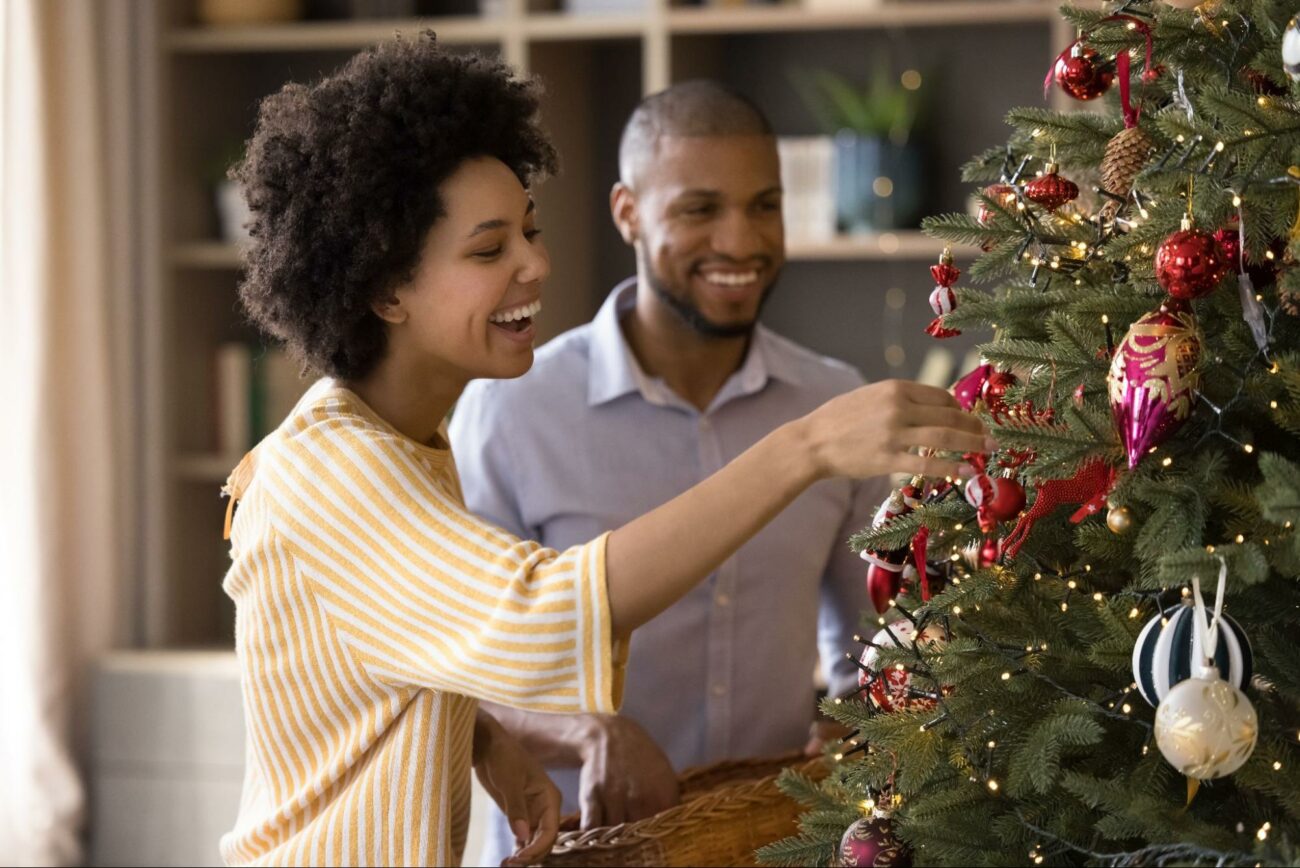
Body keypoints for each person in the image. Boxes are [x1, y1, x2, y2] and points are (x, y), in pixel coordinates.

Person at [220, 35, 987, 868]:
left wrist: (481, 740)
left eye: (529, 232)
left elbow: (403, 656)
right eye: (489, 250)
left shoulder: (407, 446)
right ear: (383, 288)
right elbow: (538, 616)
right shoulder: (335, 470)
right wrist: (800, 448)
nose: (536, 264)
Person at [449, 80, 945, 865]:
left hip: (772, 843)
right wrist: (588, 732)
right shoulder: (513, 410)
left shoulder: (835, 403)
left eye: (765, 205)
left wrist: (856, 725)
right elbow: (454, 676)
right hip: (571, 849)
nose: (742, 241)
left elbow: (876, 645)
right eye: (699, 209)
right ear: (628, 213)